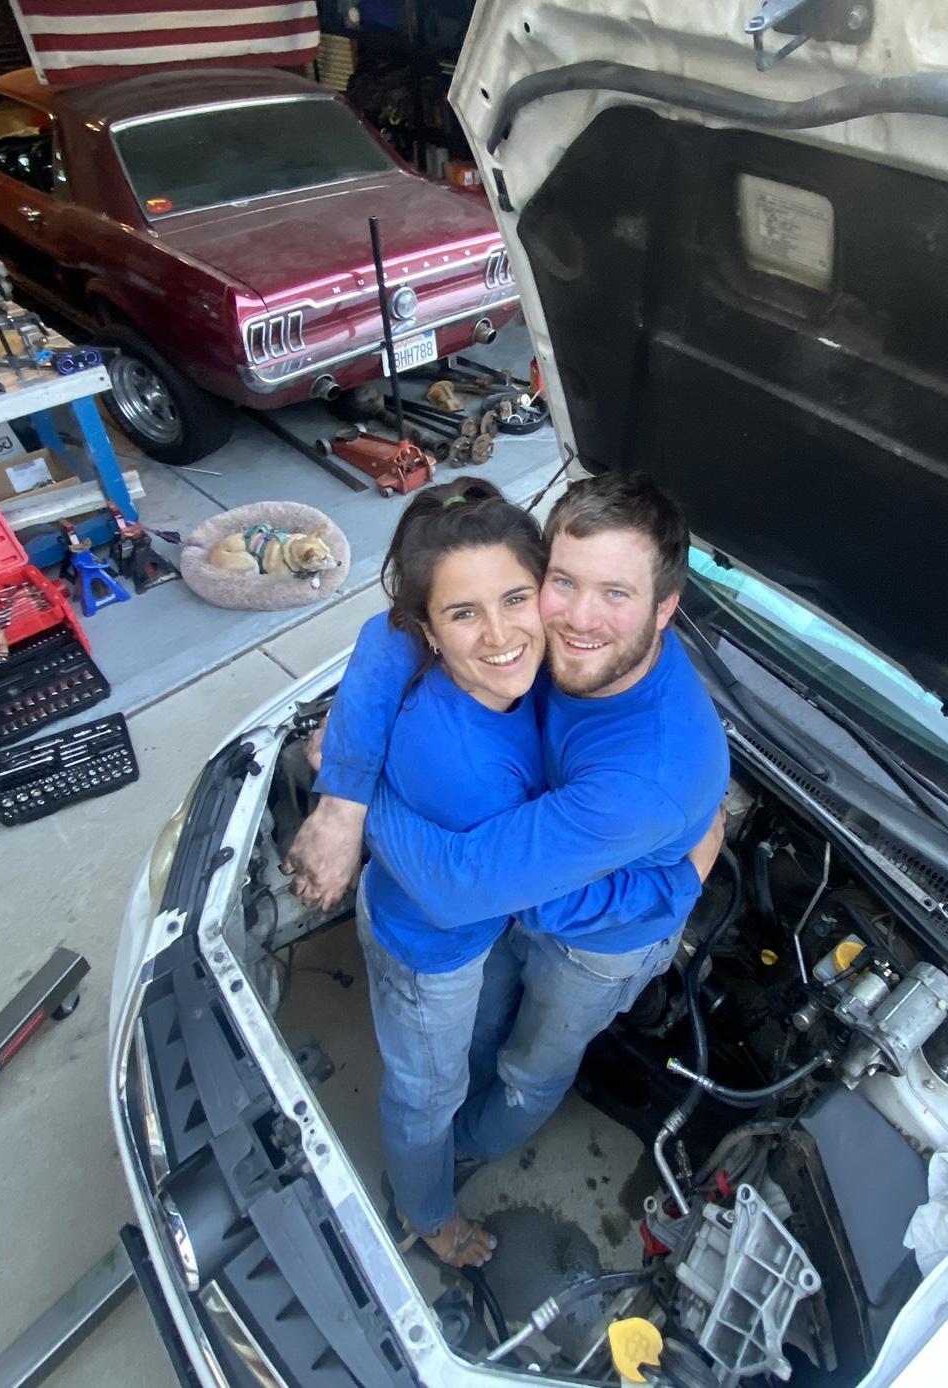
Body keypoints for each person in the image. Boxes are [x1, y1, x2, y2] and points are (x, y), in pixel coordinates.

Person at [300, 477, 719, 1269]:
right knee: (443, 1071)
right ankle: (432, 1179)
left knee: (530, 1071)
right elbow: (387, 636)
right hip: (466, 925)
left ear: (665, 608)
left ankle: (468, 1143)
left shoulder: (643, 767)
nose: (578, 619)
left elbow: (467, 885)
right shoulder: (524, 653)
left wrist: (678, 886)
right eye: (564, 582)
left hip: (596, 933)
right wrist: (342, 799)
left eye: (616, 594)